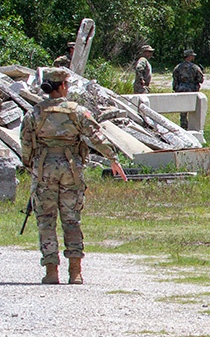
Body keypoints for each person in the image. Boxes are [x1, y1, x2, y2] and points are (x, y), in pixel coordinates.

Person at [19, 68, 128, 284]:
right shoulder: (77, 112)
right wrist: (113, 159)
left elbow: (26, 143)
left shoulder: (34, 113)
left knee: (46, 221)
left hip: (44, 171)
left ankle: (51, 272)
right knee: (71, 220)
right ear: (62, 86)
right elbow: (96, 137)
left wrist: (30, 164)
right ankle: (75, 272)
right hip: (71, 171)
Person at [172, 49, 204, 130]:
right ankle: (193, 126)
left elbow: (175, 80)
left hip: (181, 90)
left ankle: (183, 125)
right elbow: (200, 79)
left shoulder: (178, 67)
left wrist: (176, 89)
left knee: (183, 110)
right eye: (192, 56)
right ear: (189, 56)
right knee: (194, 109)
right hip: (192, 90)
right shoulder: (195, 67)